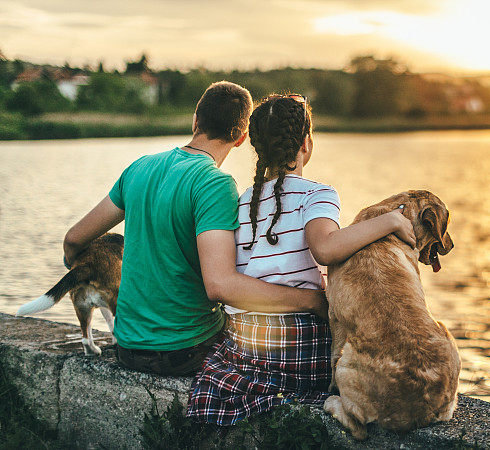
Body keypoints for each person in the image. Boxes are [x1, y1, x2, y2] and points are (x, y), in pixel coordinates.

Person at [62, 82, 327, 376]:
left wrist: (82, 267)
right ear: (240, 139)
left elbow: (74, 239)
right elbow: (220, 286)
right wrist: (311, 300)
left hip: (128, 347)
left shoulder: (139, 168)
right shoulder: (214, 184)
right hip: (186, 350)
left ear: (195, 120)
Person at [186, 94, 415, 425]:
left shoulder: (244, 199)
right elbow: (325, 248)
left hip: (249, 341)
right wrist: (390, 220)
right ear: (306, 144)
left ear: (256, 147)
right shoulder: (317, 194)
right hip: (301, 344)